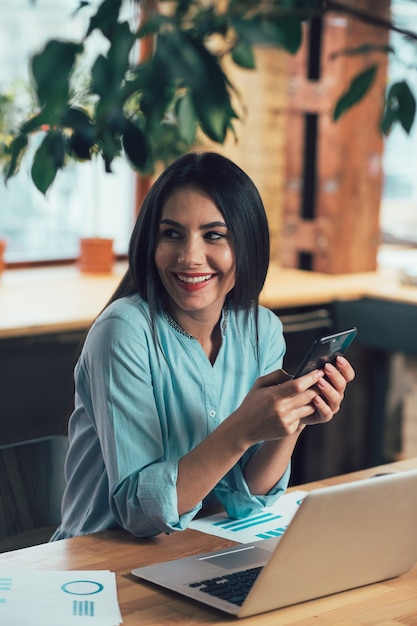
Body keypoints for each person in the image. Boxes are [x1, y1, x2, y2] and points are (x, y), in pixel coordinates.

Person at [51, 151, 355, 541]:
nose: (190, 257)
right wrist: (241, 430)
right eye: (172, 234)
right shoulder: (122, 331)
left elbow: (247, 499)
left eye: (214, 235)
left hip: (198, 551)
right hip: (98, 566)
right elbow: (138, 513)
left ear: (246, 244)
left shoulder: (261, 330)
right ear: (151, 242)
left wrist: (293, 420)